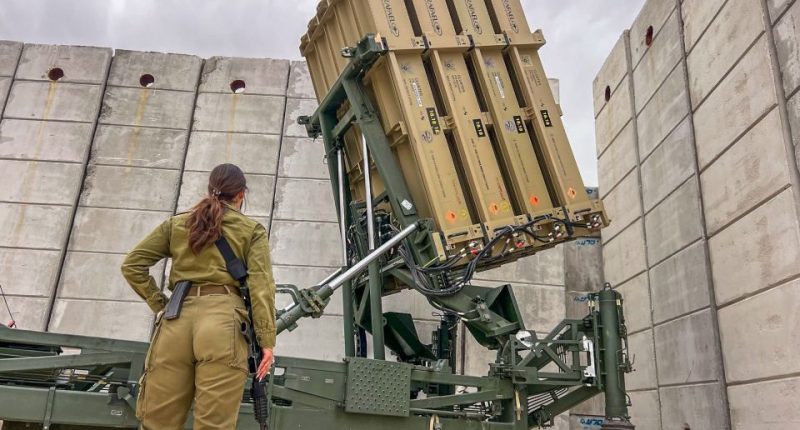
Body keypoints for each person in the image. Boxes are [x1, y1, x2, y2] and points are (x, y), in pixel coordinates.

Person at [121, 163, 276, 429]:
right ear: (240, 195)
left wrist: (161, 305)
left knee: (157, 423)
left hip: (175, 320)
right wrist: (267, 342)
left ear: (210, 189)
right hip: (223, 324)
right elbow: (261, 287)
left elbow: (132, 265)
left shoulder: (177, 224)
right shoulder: (251, 230)